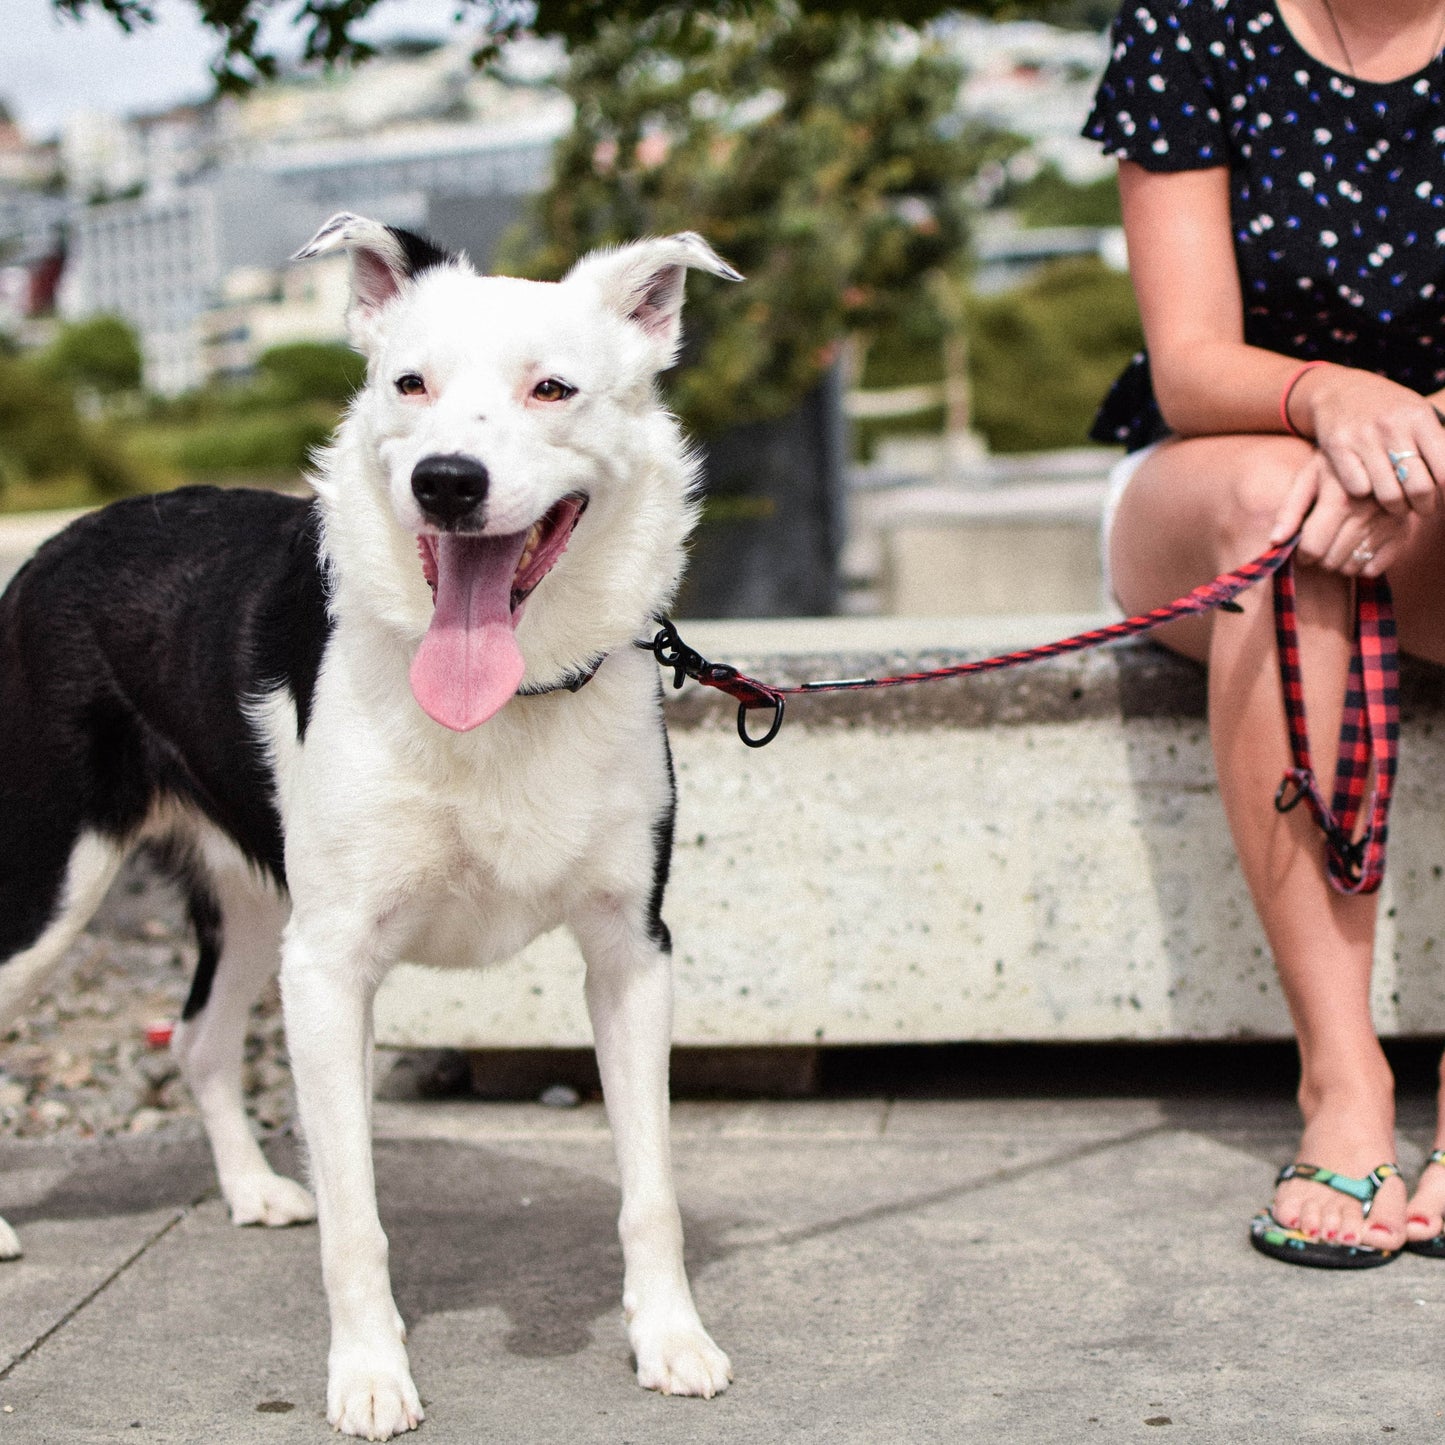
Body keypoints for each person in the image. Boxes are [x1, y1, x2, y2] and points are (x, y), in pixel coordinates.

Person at [1084, 0, 1445, 1267]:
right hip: (1216, 475)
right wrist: (1328, 403)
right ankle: (1341, 1085)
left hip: (1441, 481)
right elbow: (1189, 364)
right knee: (1271, 506)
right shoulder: (1192, 21)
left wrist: (1399, 447)